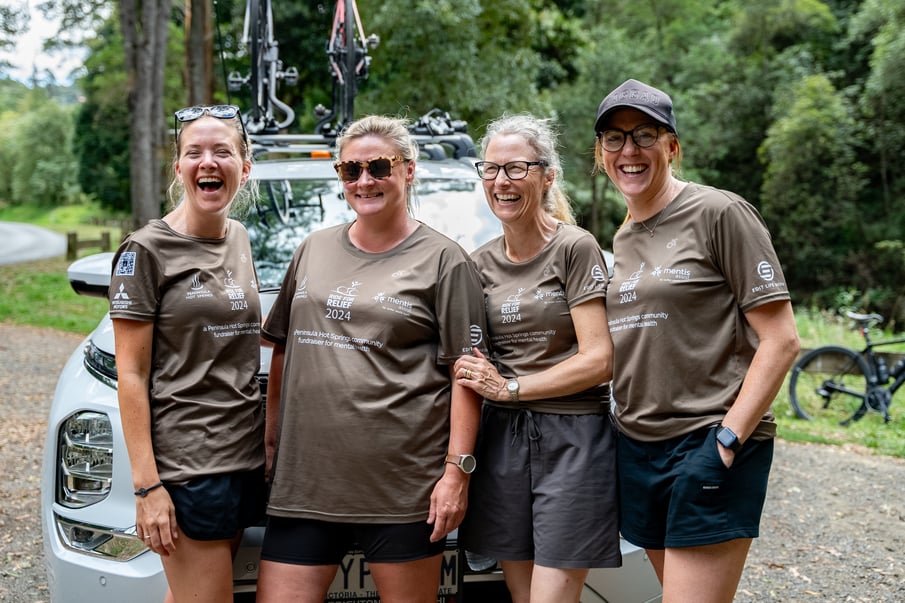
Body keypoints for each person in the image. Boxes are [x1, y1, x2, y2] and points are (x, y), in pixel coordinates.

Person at [255, 115, 487, 603]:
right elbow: (281, 350)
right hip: (305, 488)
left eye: (379, 167)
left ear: (408, 170)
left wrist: (455, 473)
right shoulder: (312, 248)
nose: (365, 181)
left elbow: (466, 376)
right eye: (351, 170)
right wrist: (271, 441)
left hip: (402, 492)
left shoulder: (445, 260)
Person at [593, 78, 801, 603]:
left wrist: (727, 442)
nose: (629, 150)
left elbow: (782, 339)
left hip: (708, 439)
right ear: (600, 153)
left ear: (672, 146)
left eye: (644, 134)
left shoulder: (719, 212)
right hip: (638, 447)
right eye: (614, 138)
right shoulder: (623, 237)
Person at [453, 114, 621, 603]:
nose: (502, 181)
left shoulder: (574, 247)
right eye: (492, 169)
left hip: (573, 439)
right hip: (502, 441)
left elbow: (599, 359)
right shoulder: (476, 263)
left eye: (517, 169)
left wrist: (510, 388)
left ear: (548, 176)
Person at [110, 104, 266, 602]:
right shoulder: (146, 251)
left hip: (243, 457)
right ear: (177, 168)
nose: (209, 162)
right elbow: (130, 374)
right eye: (194, 152)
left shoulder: (238, 237)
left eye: (223, 151)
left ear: (244, 166)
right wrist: (148, 489)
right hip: (188, 467)